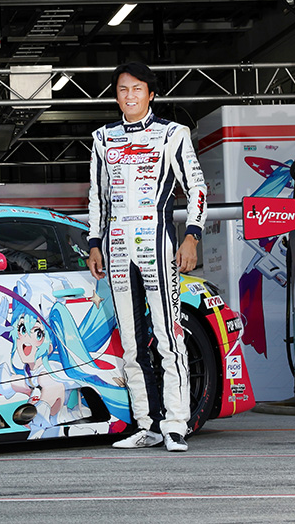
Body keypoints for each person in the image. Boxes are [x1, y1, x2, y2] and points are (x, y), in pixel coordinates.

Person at [86, 61, 207, 452]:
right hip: (117, 248)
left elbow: (197, 188)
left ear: (151, 94)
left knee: (169, 335)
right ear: (116, 95)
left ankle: (176, 424)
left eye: (137, 89)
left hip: (157, 244)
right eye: (123, 89)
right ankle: (147, 424)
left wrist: (192, 236)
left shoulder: (172, 134)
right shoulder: (102, 138)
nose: (130, 96)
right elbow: (97, 196)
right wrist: (94, 242)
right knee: (132, 344)